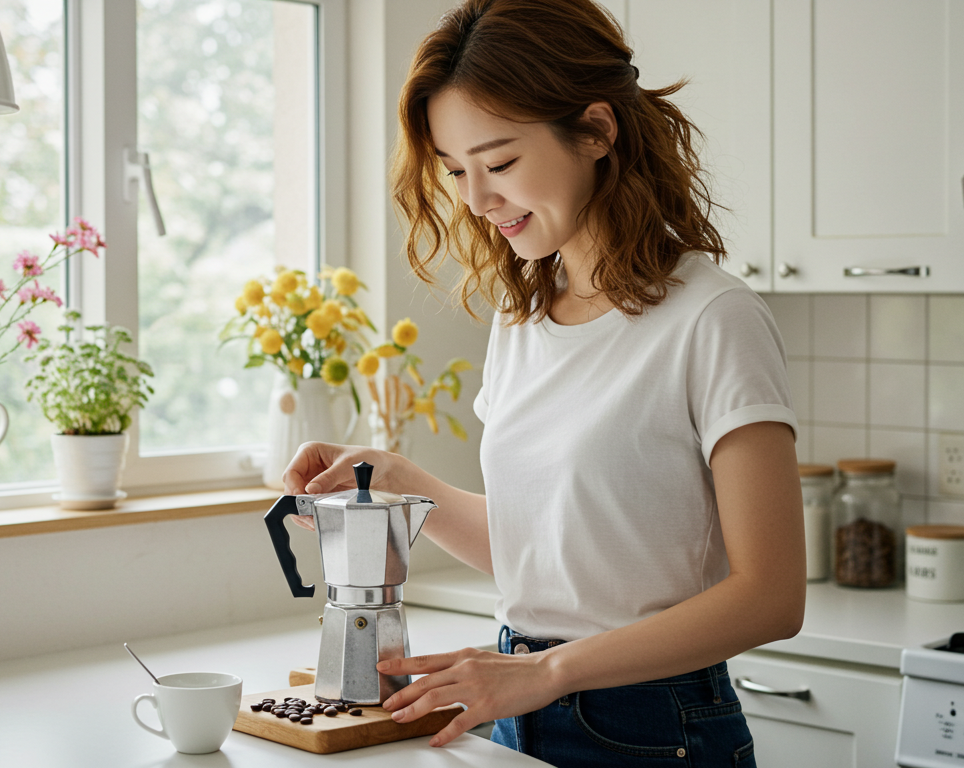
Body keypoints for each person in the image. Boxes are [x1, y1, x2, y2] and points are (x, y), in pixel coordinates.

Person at [283, 1, 805, 765]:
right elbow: (551, 555)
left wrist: (545, 671)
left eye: (498, 164)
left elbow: (771, 596)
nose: (475, 199)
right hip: (512, 708)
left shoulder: (714, 317)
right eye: (457, 170)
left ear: (595, 130)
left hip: (655, 728)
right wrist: (393, 478)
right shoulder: (521, 316)